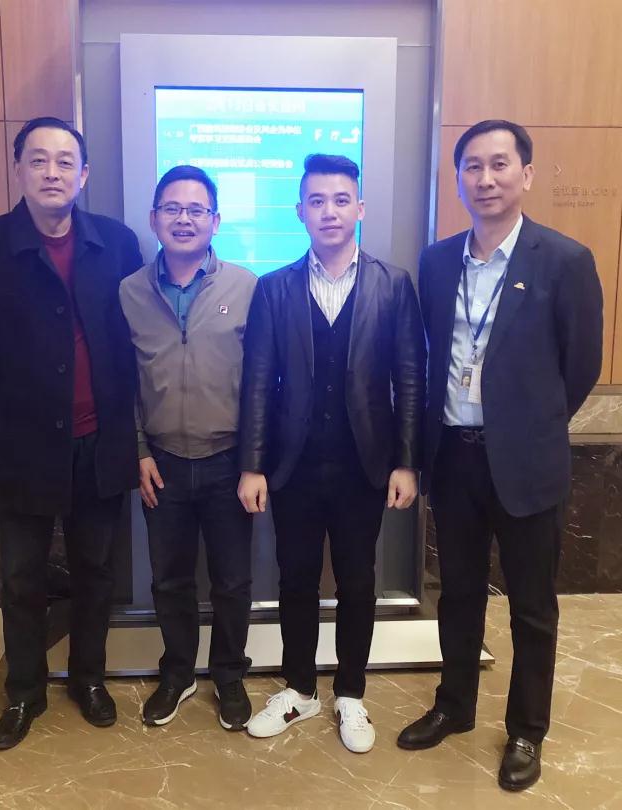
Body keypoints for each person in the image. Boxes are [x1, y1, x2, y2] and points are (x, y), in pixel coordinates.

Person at [397, 120, 603, 791]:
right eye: (473, 167)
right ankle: (454, 705)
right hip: (453, 458)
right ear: (458, 179)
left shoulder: (564, 260)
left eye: (499, 164)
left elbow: (581, 366)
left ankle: (525, 731)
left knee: (532, 606)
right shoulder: (436, 262)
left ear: (526, 174)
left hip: (526, 464)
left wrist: (528, 427)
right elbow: (428, 358)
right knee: (456, 593)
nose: (486, 179)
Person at [0, 117, 143, 751]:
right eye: (38, 160)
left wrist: (137, 437)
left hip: (100, 439)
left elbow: (136, 344)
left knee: (95, 570)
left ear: (83, 175)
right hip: (21, 442)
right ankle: (25, 691)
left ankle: (88, 679)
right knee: (21, 576)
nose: (52, 172)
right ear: (19, 170)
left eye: (64, 162)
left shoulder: (118, 243)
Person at [237, 154, 425, 753]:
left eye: (341, 199)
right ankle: (299, 688)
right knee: (294, 578)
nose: (329, 211)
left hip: (363, 464)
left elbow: (410, 378)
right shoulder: (274, 288)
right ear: (299, 211)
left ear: (359, 208)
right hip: (292, 465)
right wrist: (253, 464)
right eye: (317, 201)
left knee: (357, 581)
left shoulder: (392, 284)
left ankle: (350, 693)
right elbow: (257, 380)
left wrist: (406, 461)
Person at [119, 165, 258, 730]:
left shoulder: (247, 287)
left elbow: (263, 382)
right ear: (154, 218)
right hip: (163, 464)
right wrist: (139, 451)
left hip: (229, 462)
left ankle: (228, 674)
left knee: (232, 581)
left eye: (196, 210)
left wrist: (253, 462)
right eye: (172, 209)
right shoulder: (130, 291)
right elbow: (123, 382)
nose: (184, 219)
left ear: (215, 221)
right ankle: (177, 673)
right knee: (170, 580)